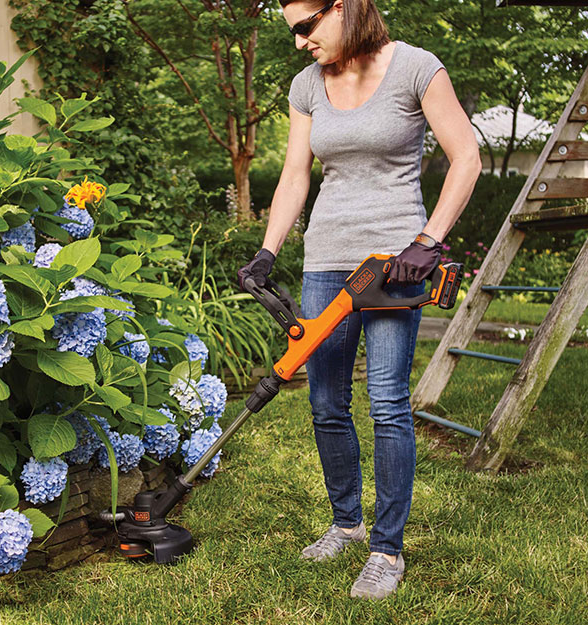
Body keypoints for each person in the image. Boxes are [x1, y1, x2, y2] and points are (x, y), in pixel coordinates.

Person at [237, 0, 481, 601]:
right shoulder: (306, 85)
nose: (299, 42)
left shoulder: (418, 68)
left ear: (341, 8)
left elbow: (466, 157)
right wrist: (269, 249)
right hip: (326, 260)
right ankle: (347, 524)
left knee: (388, 404)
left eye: (304, 27)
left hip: (395, 265)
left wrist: (429, 241)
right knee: (325, 401)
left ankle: (386, 549)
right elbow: (297, 172)